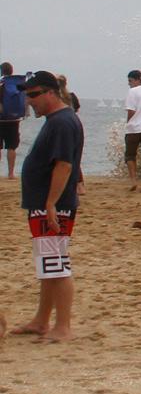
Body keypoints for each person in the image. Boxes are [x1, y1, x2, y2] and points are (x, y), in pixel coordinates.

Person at [12, 71, 83, 343]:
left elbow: (64, 165)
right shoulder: (57, 120)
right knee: (48, 265)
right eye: (27, 96)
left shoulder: (63, 122)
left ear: (50, 93)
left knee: (57, 265)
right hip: (45, 205)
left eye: (33, 95)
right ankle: (42, 321)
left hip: (54, 206)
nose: (29, 102)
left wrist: (51, 203)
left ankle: (62, 326)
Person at [1, 62, 28, 179]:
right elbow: (25, 98)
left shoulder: (2, 84)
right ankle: (11, 173)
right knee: (11, 147)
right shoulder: (18, 84)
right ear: (11, 71)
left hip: (1, 119)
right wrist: (26, 112)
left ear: (2, 71)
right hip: (14, 119)